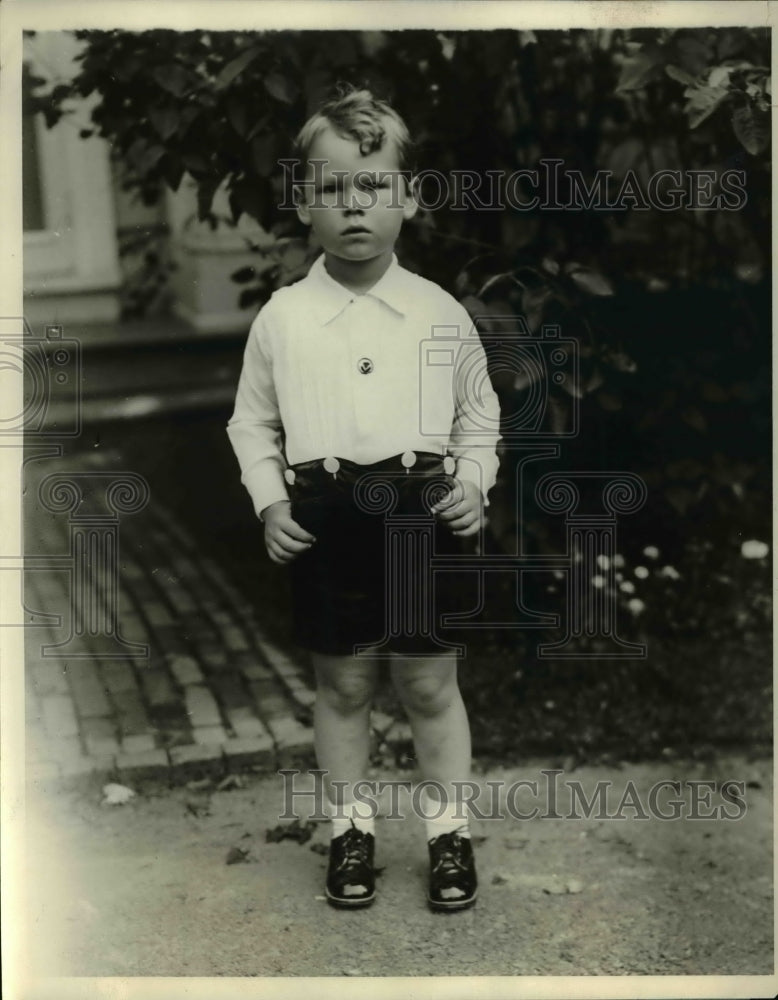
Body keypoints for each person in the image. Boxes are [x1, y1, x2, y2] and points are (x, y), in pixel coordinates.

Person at [227, 86, 500, 911]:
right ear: (305, 204)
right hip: (328, 515)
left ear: (408, 199)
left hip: (421, 511)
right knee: (343, 687)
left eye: (374, 186)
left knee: (426, 687)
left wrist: (473, 485)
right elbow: (252, 423)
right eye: (333, 188)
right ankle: (351, 832)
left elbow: (479, 413)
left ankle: (449, 836)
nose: (355, 206)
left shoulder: (437, 311)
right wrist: (274, 504)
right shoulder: (283, 317)